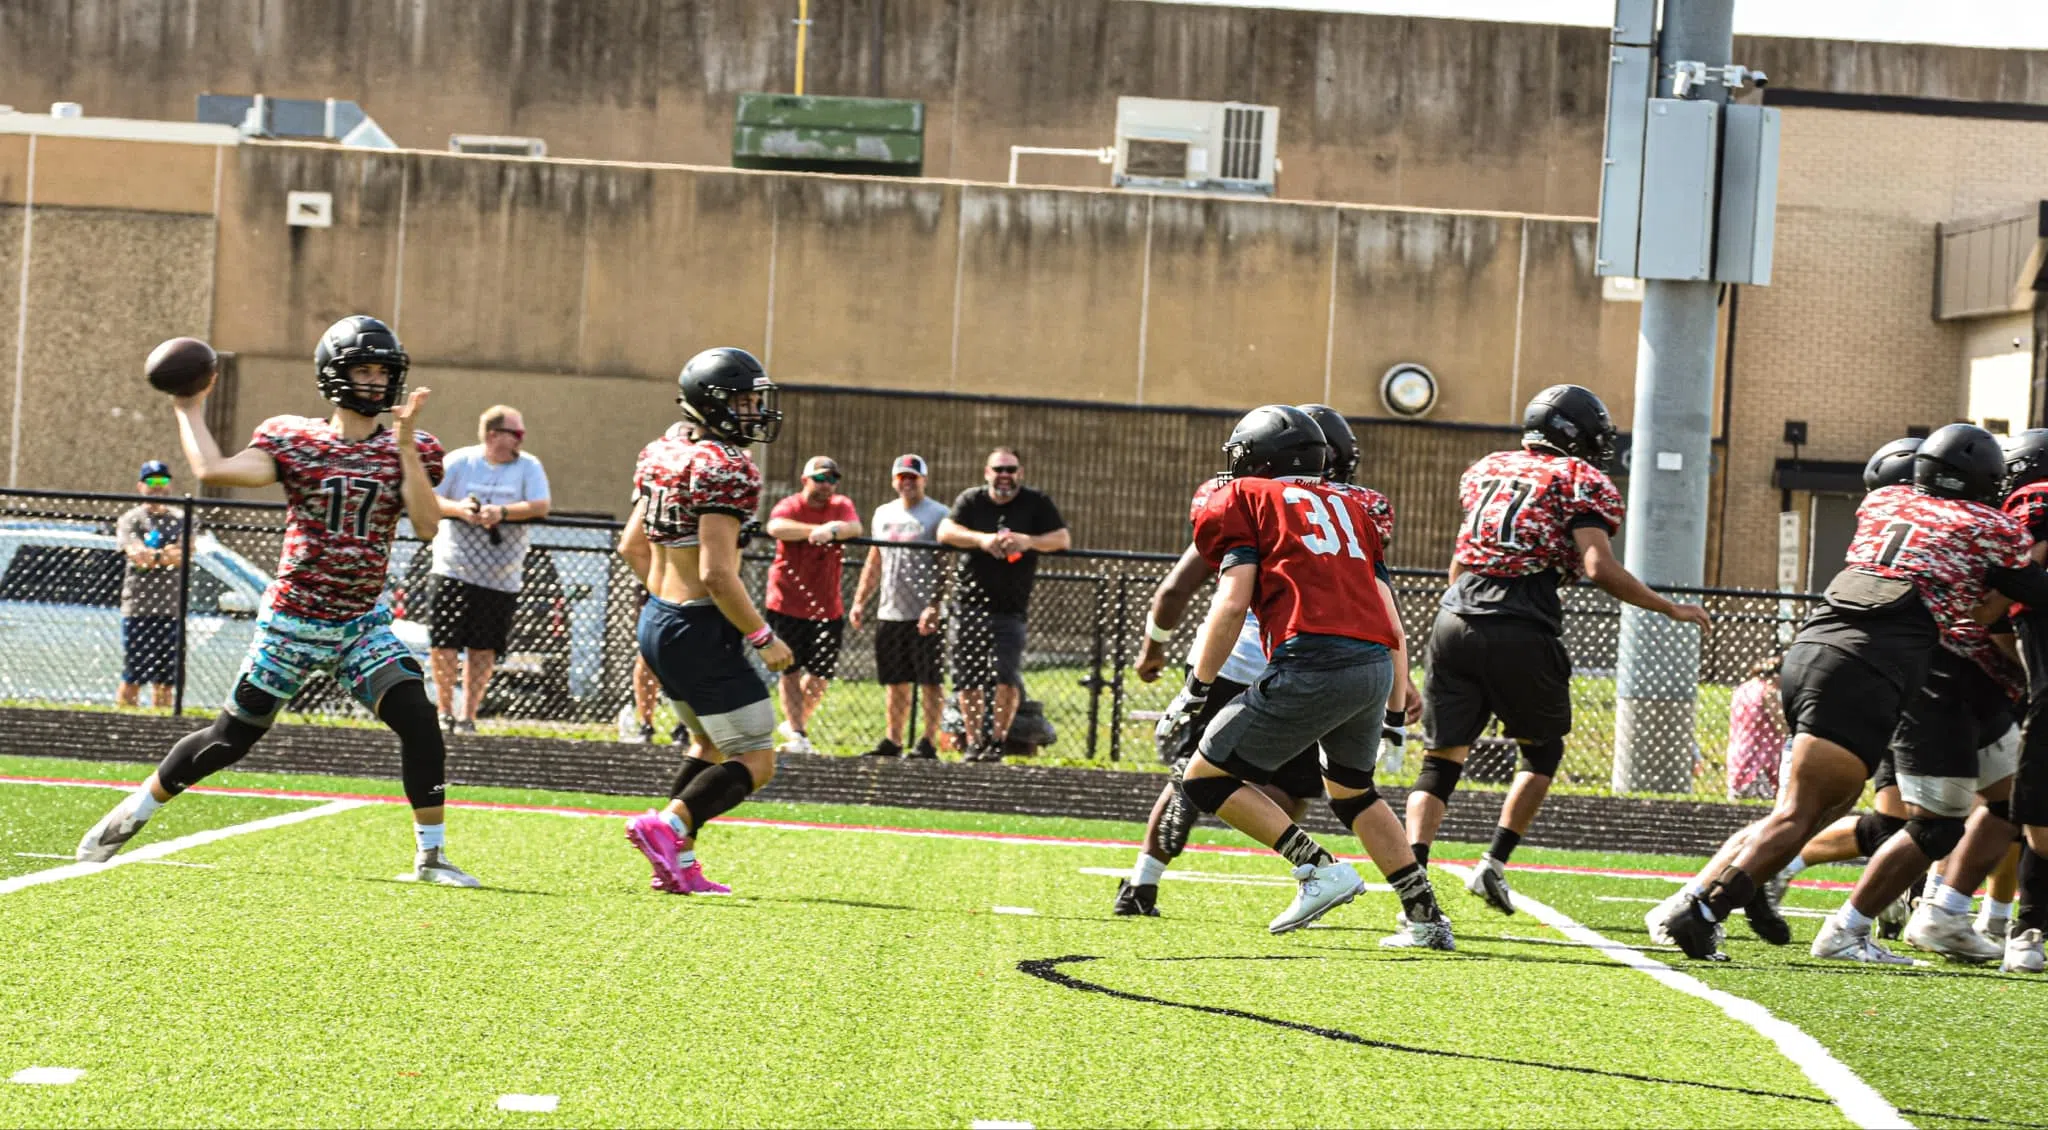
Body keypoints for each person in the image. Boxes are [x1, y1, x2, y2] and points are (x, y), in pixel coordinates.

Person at [76, 315, 477, 887]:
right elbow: (215, 469)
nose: (375, 380)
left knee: (420, 721)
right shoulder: (295, 438)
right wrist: (189, 408)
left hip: (359, 625)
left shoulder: (413, 447)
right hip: (291, 621)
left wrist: (408, 445)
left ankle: (431, 857)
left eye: (383, 370)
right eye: (363, 369)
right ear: (335, 375)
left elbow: (427, 525)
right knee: (228, 741)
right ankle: (133, 812)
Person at [1662, 424, 2048, 962]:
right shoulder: (1986, 524)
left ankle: (1714, 901)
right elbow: (2029, 588)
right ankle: (1701, 908)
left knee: (1830, 807)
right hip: (1869, 666)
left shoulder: (1887, 501)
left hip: (1814, 648)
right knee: (1811, 813)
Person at [1406, 384, 1710, 916]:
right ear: (1577, 434)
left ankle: (1413, 882)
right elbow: (1598, 566)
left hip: (1454, 614)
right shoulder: (1578, 478)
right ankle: (1493, 864)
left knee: (1440, 760)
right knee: (1542, 750)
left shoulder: (1487, 468)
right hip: (1520, 619)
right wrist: (1668, 608)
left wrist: (1453, 617)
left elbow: (1460, 559)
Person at [1163, 404, 1450, 946]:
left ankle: (1316, 867)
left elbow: (1231, 601)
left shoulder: (1242, 497)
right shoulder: (1353, 508)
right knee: (1353, 790)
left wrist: (1195, 687)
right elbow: (1389, 615)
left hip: (1312, 659)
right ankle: (1426, 918)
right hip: (1369, 663)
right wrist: (1394, 705)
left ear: (1258, 460)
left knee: (1203, 777)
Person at [617, 347, 793, 896]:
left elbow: (630, 546)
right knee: (757, 758)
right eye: (742, 403)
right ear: (711, 405)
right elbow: (719, 574)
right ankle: (668, 825)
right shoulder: (727, 465)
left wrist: (668, 608)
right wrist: (763, 638)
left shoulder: (662, 450)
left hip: (659, 618)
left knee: (707, 742)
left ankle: (679, 863)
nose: (753, 413)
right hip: (697, 623)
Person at [937, 448, 1071, 760]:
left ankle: (997, 741)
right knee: (968, 678)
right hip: (969, 604)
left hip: (1011, 608)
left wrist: (1028, 541)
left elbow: (1062, 539)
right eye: (999, 469)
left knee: (1006, 678)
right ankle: (974, 742)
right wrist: (983, 540)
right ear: (987, 472)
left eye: (1010, 469)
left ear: (1020, 473)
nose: (1005, 475)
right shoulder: (971, 500)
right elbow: (945, 531)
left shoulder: (1036, 502)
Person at [427, 404, 551, 733]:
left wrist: (503, 513)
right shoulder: (459, 461)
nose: (521, 440)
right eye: (517, 433)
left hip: (501, 577)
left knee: (484, 647)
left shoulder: (529, 466)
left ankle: (468, 714)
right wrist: (460, 508)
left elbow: (541, 505)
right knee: (444, 643)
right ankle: (444, 710)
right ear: (494, 435)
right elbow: (430, 499)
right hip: (453, 569)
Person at [850, 454, 948, 759]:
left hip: (925, 613)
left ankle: (928, 741)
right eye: (902, 477)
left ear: (924, 480)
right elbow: (875, 559)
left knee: (930, 680)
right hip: (890, 610)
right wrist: (860, 600)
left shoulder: (938, 514)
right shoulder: (883, 513)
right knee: (895, 680)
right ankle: (893, 740)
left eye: (913, 477)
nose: (907, 482)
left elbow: (946, 564)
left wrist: (936, 604)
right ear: (894, 481)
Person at [763, 455, 861, 754]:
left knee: (821, 674)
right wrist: (811, 532)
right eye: (820, 478)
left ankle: (794, 723)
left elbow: (854, 527)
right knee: (790, 670)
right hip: (787, 602)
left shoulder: (840, 506)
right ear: (805, 479)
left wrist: (832, 530)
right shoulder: (791, 506)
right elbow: (775, 526)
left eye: (832, 479)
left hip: (827, 606)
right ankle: (797, 732)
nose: (826, 485)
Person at [114, 460, 192, 708]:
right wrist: (165, 555)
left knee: (166, 680)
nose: (157, 487)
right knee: (133, 674)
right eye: (151, 482)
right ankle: (125, 720)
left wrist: (154, 556)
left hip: (171, 609)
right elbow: (136, 554)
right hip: (138, 608)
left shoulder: (182, 518)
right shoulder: (132, 520)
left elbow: (184, 554)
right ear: (140, 486)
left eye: (162, 481)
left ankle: (160, 723)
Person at [1726, 655, 1787, 801]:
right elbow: (1781, 725)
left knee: (1741, 798)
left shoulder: (1742, 689)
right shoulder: (1768, 691)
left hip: (1740, 749)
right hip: (1762, 756)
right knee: (1763, 802)